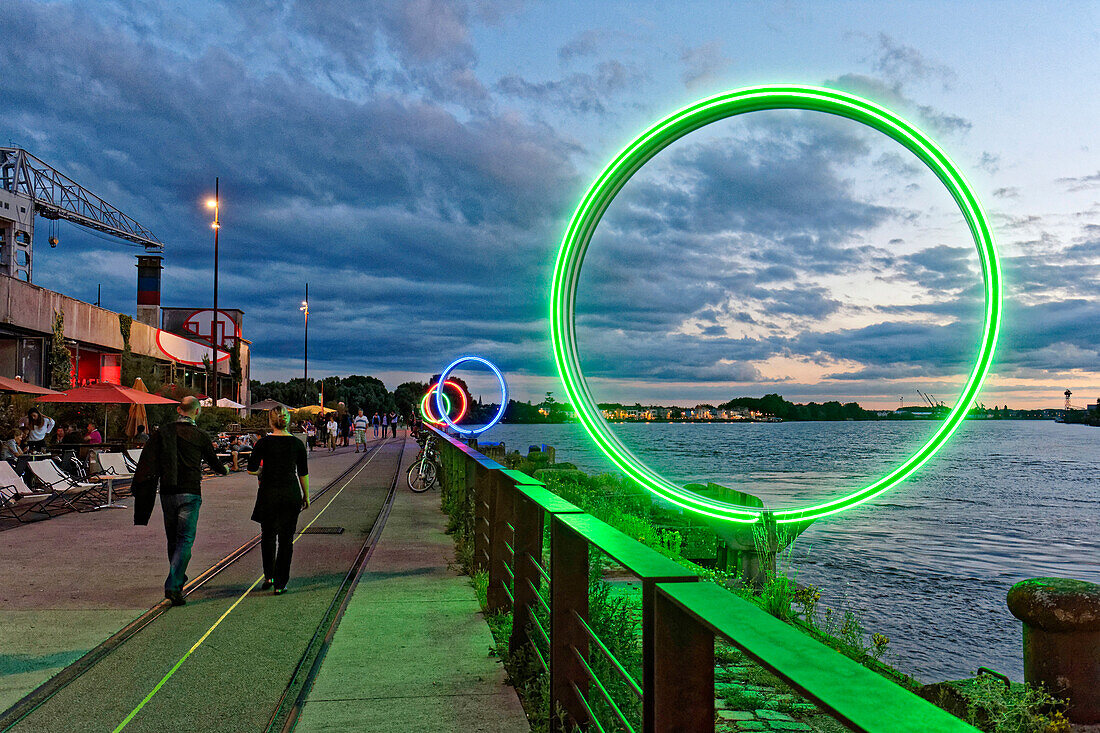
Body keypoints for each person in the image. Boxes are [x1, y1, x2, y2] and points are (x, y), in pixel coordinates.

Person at [132, 396, 229, 606]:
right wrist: (226, 469)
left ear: (178, 409)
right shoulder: (200, 436)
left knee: (173, 539)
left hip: (167, 492)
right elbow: (214, 462)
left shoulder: (162, 433)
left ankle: (177, 576)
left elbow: (148, 460)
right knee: (185, 539)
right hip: (191, 492)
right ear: (197, 412)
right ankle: (174, 585)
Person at [248, 407, 309, 594]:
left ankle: (269, 576)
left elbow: (251, 469)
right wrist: (306, 495)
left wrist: (262, 472)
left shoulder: (263, 443)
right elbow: (303, 473)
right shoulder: (297, 444)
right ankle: (281, 583)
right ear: (288, 420)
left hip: (268, 494)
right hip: (290, 493)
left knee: (267, 536)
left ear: (270, 421)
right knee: (286, 540)